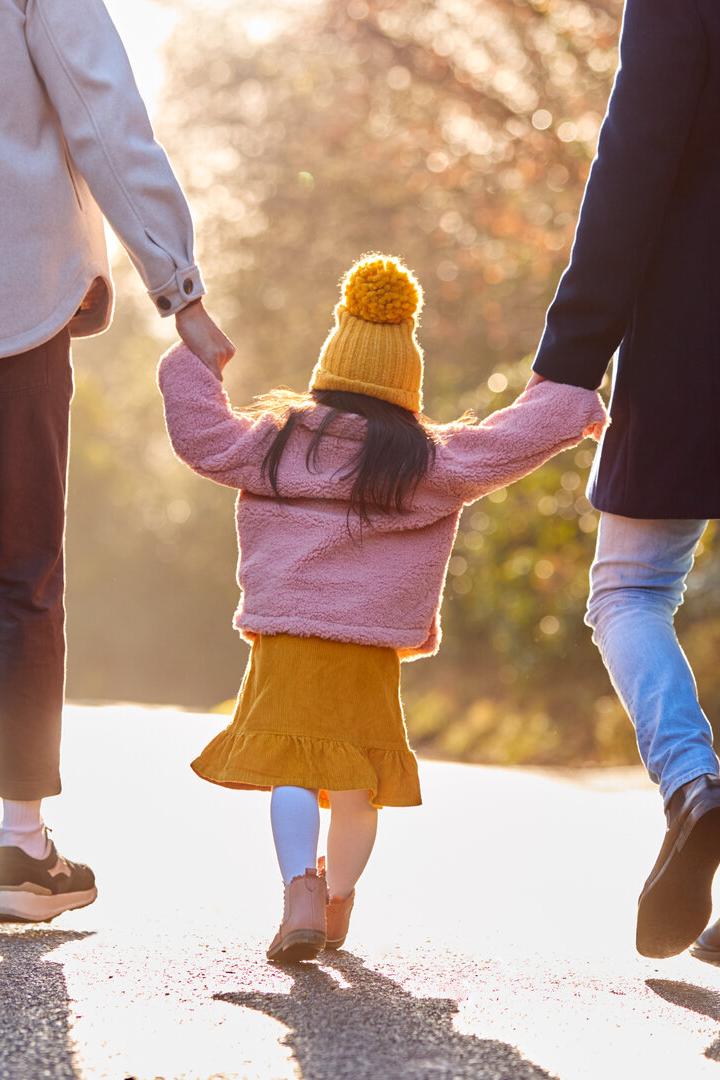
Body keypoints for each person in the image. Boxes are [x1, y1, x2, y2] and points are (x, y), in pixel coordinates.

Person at [158, 254, 605, 962]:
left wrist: (193, 362)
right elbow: (511, 441)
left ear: (329, 370)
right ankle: (336, 904)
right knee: (358, 785)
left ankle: (298, 887)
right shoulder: (427, 462)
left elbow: (201, 437)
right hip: (368, 650)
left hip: (288, 640)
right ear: (406, 382)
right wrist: (569, 397)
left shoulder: (276, 443)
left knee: (291, 770)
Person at [0, 0, 234, 922]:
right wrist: (179, 287)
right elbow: (102, 111)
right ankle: (17, 846)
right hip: (13, 309)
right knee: (19, 572)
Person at [528, 0, 720, 959]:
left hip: (697, 337)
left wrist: (569, 358)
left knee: (631, 590)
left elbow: (635, 162)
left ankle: (695, 786)